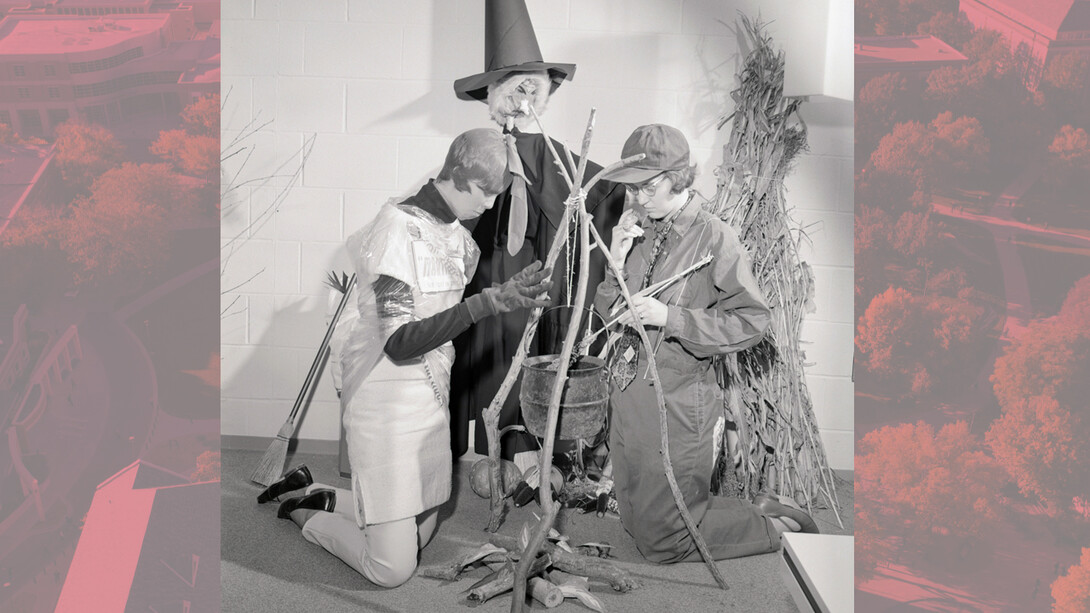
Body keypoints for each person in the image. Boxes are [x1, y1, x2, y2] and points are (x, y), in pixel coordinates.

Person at [256, 128, 553, 587]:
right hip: (386, 393)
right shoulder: (395, 230)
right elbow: (396, 343)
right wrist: (486, 304)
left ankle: (315, 490)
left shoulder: (450, 228)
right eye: (485, 192)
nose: (490, 205)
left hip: (428, 387)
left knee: (424, 524)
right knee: (393, 568)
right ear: (457, 175)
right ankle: (301, 513)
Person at [595, 124, 817, 563]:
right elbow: (610, 315)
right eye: (630, 189)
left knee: (662, 545)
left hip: (678, 401)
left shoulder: (715, 237)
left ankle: (772, 525)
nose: (636, 199)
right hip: (628, 394)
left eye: (646, 187)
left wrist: (671, 317)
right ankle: (721, 513)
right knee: (634, 521)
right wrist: (615, 261)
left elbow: (753, 322)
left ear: (678, 177)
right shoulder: (638, 229)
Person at [450, 0, 626, 463]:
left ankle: (534, 454)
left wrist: (628, 187)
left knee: (531, 353)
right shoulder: (481, 151)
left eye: (529, 92)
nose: (520, 102)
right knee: (494, 355)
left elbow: (594, 190)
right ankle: (500, 452)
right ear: (497, 95)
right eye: (512, 91)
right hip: (492, 280)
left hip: (535, 281)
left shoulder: (551, 153)